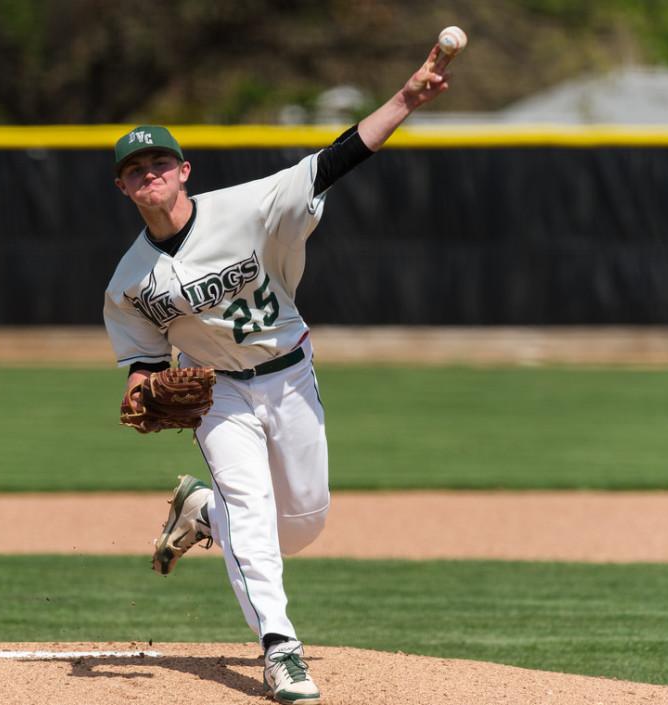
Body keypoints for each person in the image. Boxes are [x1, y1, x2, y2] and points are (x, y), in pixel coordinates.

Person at [104, 41, 454, 705]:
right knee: (254, 515)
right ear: (122, 186)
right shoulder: (128, 282)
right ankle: (279, 647)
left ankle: (200, 509)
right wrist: (145, 394)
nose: (148, 173)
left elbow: (335, 161)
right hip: (218, 392)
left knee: (302, 524)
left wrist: (407, 99)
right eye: (134, 168)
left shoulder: (246, 206)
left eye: (158, 162)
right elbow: (143, 366)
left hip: (291, 375)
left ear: (183, 171)